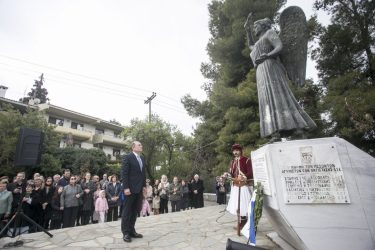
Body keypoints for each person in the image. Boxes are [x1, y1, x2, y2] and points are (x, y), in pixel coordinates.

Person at [244, 16, 316, 140]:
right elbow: (251, 46)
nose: (255, 28)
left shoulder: (269, 33)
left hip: (271, 67)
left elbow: (279, 47)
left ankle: (298, 128)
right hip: (261, 71)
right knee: (267, 100)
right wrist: (248, 31)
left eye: (256, 26)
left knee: (279, 96)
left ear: (263, 26)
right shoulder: (258, 43)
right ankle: (275, 131)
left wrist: (268, 55)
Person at [121, 141, 146, 243]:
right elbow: (124, 173)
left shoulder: (142, 158)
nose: (141, 146)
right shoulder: (128, 157)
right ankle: (126, 233)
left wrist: (144, 186)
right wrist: (126, 188)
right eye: (139, 145)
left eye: (141, 144)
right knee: (127, 211)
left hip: (139, 189)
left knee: (135, 211)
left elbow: (143, 173)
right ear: (133, 147)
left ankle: (132, 230)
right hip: (130, 190)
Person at [224, 144, 253, 230]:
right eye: (234, 151)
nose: (235, 152)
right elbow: (231, 173)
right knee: (237, 204)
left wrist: (244, 177)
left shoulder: (247, 160)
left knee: (243, 204)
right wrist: (227, 174)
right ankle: (242, 222)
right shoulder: (232, 162)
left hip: (244, 186)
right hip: (236, 186)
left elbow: (250, 172)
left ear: (240, 151)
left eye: (237, 150)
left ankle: (244, 222)